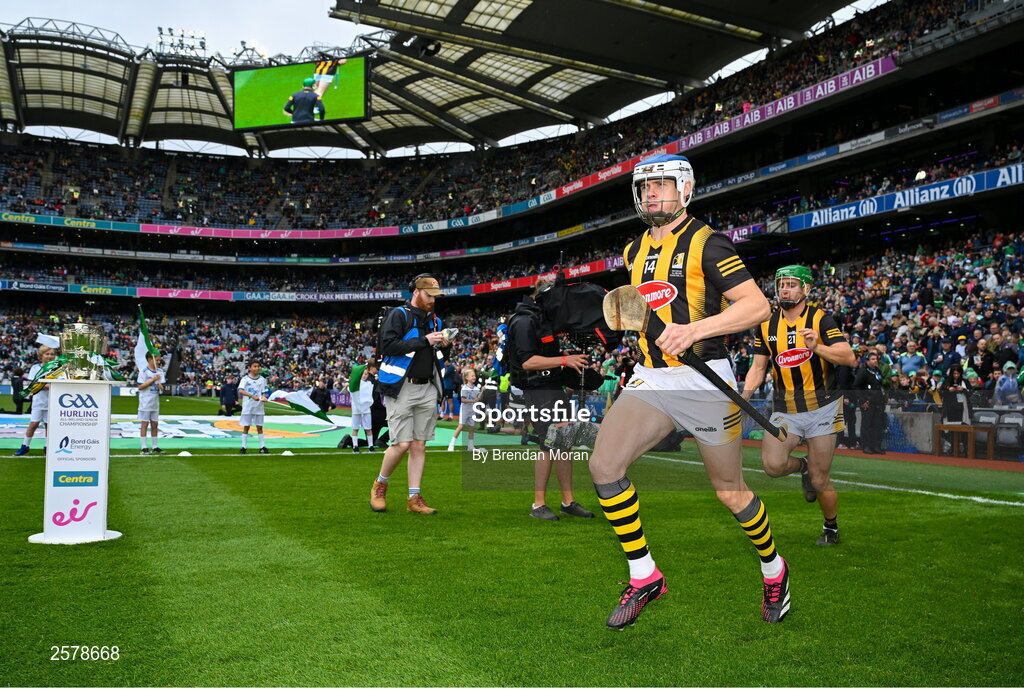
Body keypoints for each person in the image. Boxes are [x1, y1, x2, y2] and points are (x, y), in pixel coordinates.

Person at [587, 154, 787, 629]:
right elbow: (647, 314)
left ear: (685, 189)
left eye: (662, 185)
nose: (653, 193)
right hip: (653, 377)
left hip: (704, 380)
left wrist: (695, 330)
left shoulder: (709, 243)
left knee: (730, 493)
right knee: (603, 465)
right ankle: (645, 576)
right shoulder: (633, 250)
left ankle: (774, 569)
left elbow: (757, 306)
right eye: (646, 187)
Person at [742, 265, 856, 546]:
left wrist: (817, 348)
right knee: (772, 465)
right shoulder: (767, 324)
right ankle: (802, 466)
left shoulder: (821, 319)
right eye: (781, 284)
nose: (785, 289)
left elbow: (848, 356)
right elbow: (758, 367)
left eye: (792, 284)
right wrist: (744, 395)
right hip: (785, 409)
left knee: (820, 481)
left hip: (823, 408)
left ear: (806, 289)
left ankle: (831, 527)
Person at [506, 278, 595, 521]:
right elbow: (527, 361)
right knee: (547, 445)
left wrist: (562, 355)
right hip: (537, 390)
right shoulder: (524, 320)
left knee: (564, 444)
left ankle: (568, 501)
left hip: (553, 387)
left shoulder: (541, 318)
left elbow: (542, 354)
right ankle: (538, 504)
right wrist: (564, 361)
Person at [370, 275, 453, 515]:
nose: (432, 301)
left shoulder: (436, 320)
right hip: (401, 386)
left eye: (435, 296)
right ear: (416, 292)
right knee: (401, 443)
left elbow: (437, 355)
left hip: (427, 387)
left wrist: (445, 346)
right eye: (429, 296)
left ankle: (413, 498)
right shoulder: (399, 314)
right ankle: (380, 484)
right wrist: (424, 340)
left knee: (419, 445)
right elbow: (387, 347)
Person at [13, 342, 58, 457]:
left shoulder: (57, 369)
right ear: (41, 355)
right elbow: (32, 384)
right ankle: (25, 446)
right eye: (47, 354)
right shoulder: (36, 368)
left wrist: (43, 384)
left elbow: (59, 384)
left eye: (52, 354)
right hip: (38, 401)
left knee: (50, 426)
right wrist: (50, 385)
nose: (50, 356)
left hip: (53, 402)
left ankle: (48, 447)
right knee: (33, 424)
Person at [854, 351, 887, 454]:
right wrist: (863, 400)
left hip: (878, 402)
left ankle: (876, 446)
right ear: (867, 361)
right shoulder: (863, 371)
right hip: (868, 402)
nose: (875, 361)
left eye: (876, 359)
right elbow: (856, 386)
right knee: (867, 425)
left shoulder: (878, 371)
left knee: (877, 425)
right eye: (873, 359)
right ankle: (866, 446)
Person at [238, 360, 269, 454]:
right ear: (249, 368)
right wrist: (252, 396)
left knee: (259, 427)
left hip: (259, 407)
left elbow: (263, 392)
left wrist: (263, 397)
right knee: (246, 427)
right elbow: (241, 390)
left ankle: (262, 446)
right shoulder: (245, 379)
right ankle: (243, 447)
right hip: (248, 406)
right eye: (254, 366)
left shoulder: (262, 379)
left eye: (258, 366)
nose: (257, 368)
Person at [137, 353, 166, 455]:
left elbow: (162, 387)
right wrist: (152, 380)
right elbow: (140, 386)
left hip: (155, 402)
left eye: (159, 360)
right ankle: (144, 447)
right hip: (145, 402)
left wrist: (160, 386)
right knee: (144, 424)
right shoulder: (144, 372)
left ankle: (155, 446)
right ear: (150, 359)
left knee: (155, 424)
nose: (158, 362)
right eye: (157, 360)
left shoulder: (160, 372)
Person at [447, 367, 481, 451]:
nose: (474, 377)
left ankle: (470, 446)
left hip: (472, 410)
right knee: (461, 426)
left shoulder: (476, 388)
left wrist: (482, 391)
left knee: (472, 428)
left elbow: (478, 398)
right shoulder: (465, 388)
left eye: (474, 375)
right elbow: (463, 400)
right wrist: (473, 400)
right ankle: (451, 444)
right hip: (465, 410)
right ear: (467, 378)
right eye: (472, 376)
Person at [349, 366, 375, 452]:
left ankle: (371, 446)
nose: (364, 375)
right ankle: (355, 446)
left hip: (366, 409)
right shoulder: (354, 384)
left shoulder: (369, 384)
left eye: (366, 374)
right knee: (355, 428)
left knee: (368, 429)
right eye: (363, 374)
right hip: (356, 410)